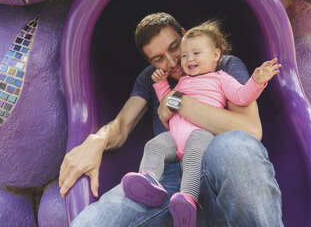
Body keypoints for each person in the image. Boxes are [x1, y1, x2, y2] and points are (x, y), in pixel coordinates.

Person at [60, 12, 284, 226]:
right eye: (158, 58)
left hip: (216, 166)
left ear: (185, 35)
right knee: (89, 222)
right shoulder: (152, 79)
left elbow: (249, 130)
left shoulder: (222, 66)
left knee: (235, 145)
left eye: (175, 47)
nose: (173, 61)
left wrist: (178, 100)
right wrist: (96, 141)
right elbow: (121, 124)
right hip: (169, 180)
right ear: (150, 63)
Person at [120, 20, 281, 227]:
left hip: (200, 135)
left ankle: (188, 197)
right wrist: (161, 85)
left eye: (184, 51)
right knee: (153, 146)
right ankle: (149, 178)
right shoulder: (183, 81)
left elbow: (242, 97)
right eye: (186, 55)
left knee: (194, 155)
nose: (182, 60)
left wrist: (257, 82)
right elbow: (164, 101)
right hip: (175, 140)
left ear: (215, 54)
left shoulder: (221, 76)